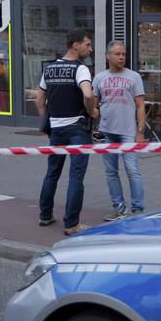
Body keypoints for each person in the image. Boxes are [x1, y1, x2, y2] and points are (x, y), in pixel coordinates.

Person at [36, 28, 97, 236]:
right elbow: (88, 95)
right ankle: (71, 224)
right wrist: (93, 111)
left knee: (51, 173)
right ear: (75, 45)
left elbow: (39, 100)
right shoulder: (80, 69)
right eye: (87, 44)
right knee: (75, 178)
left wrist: (49, 122)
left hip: (56, 129)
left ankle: (45, 216)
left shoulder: (50, 68)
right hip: (77, 129)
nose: (90, 48)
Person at [93, 41, 147, 221]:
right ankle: (119, 209)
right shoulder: (99, 78)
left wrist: (140, 132)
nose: (122, 57)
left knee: (132, 170)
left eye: (123, 54)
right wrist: (94, 127)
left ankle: (137, 210)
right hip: (107, 132)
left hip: (128, 133)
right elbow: (94, 106)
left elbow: (140, 106)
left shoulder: (134, 77)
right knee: (111, 172)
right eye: (117, 54)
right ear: (108, 56)